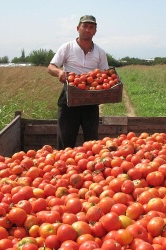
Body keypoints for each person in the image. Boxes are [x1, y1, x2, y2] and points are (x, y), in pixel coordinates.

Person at [47, 15, 109, 150]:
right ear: (78, 28)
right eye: (85, 26)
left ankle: (91, 168)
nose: (87, 29)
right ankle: (64, 165)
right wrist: (59, 73)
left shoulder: (100, 52)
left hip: (90, 100)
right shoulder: (67, 47)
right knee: (65, 140)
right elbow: (51, 67)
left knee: (92, 142)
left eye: (91, 27)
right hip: (69, 98)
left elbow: (105, 75)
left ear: (95, 31)